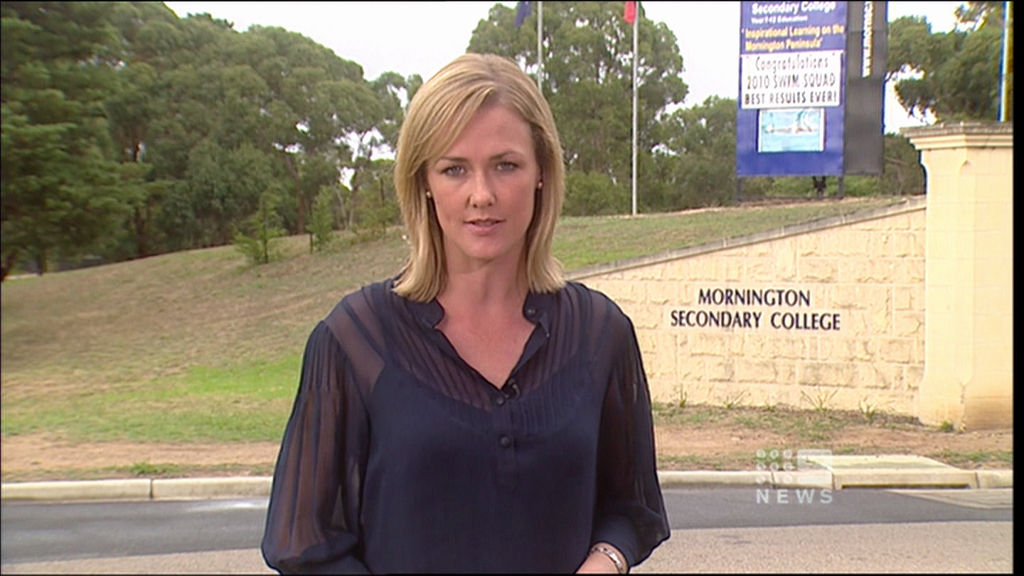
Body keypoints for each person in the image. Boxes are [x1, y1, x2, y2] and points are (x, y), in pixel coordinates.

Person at [261, 52, 670, 574]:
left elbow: (632, 507)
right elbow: (302, 542)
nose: (482, 195)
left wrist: (606, 561)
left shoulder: (600, 334)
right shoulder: (355, 339)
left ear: (542, 173)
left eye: (506, 165)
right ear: (424, 182)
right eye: (454, 169)